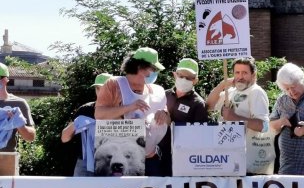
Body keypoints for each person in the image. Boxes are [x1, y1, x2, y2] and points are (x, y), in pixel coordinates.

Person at [95, 47, 170, 176]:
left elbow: (168, 121)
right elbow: (99, 115)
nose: (154, 73)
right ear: (140, 67)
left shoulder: (158, 91)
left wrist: (164, 115)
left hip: (151, 158)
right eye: (153, 69)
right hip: (120, 161)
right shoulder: (114, 85)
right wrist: (129, 107)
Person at [206, 56, 270, 175]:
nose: (240, 77)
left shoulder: (256, 92)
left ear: (253, 75)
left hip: (247, 163)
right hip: (226, 158)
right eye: (237, 72)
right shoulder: (231, 92)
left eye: (245, 73)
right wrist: (221, 85)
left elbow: (264, 126)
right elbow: (209, 106)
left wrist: (235, 118)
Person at [159, 58, 209, 176]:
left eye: (188, 78)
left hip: (182, 159)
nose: (184, 80)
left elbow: (200, 136)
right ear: (174, 75)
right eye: (181, 76)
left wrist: (171, 124)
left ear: (195, 80)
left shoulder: (198, 103)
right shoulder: (162, 95)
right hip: (158, 155)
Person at [61, 72, 112, 176]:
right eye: (98, 88)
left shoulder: (121, 109)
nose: (101, 92)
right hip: (84, 163)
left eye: (105, 88)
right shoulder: (85, 110)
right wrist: (76, 123)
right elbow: (64, 138)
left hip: (111, 163)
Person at [0, 63, 36, 153]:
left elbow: (31, 137)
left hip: (7, 159)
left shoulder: (19, 103)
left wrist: (20, 125)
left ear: (5, 79)